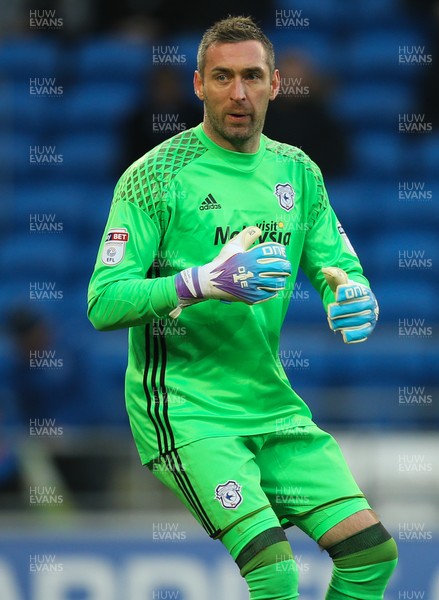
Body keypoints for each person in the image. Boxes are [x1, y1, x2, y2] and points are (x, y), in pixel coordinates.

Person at [88, 16, 397, 599]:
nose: (238, 93)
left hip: (270, 403)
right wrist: (198, 282)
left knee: (371, 556)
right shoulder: (153, 178)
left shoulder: (298, 172)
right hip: (187, 408)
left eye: (252, 76)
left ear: (276, 84)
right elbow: (103, 303)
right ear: (198, 83)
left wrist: (352, 295)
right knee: (275, 571)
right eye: (223, 77)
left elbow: (339, 267)